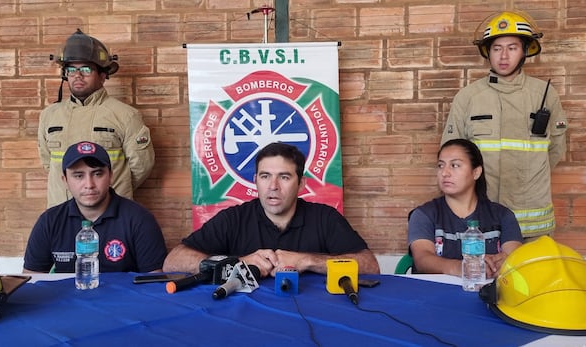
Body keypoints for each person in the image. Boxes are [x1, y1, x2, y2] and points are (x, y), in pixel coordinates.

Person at [162, 142, 380, 277]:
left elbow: (370, 266)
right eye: (265, 176)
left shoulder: (325, 218)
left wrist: (307, 261)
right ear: (256, 180)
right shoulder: (234, 219)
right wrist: (235, 263)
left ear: (301, 183)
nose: (273, 186)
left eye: (284, 177)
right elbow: (173, 261)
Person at [441, 10, 567, 239]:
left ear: (525, 51)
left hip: (532, 217)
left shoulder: (545, 95)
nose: (503, 56)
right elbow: (452, 154)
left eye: (512, 47)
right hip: (481, 215)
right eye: (497, 48)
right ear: (488, 52)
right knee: (480, 271)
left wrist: (529, 172)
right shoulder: (468, 97)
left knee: (532, 274)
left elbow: (556, 149)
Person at [38, 29, 155, 208]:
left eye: (86, 69)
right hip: (62, 212)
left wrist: (110, 189)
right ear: (65, 75)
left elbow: (141, 166)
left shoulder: (126, 115)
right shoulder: (49, 116)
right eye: (71, 70)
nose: (78, 75)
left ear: (102, 76)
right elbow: (48, 163)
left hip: (112, 211)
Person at [23, 141, 167, 273]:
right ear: (65, 181)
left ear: (110, 176)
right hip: (68, 301)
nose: (89, 184)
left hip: (123, 301)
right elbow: (32, 279)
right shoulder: (50, 221)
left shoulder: (140, 219)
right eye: (78, 176)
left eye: (97, 174)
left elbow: (154, 282)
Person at [408, 139, 522, 278]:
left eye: (455, 165)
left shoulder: (503, 215)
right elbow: (422, 259)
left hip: (490, 296)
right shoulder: (424, 214)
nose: (445, 173)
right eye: (440, 165)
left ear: (476, 172)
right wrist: (460, 267)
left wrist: (502, 264)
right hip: (436, 296)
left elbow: (515, 257)